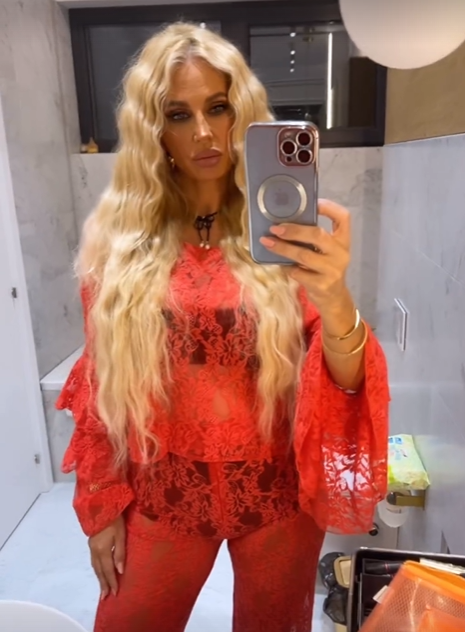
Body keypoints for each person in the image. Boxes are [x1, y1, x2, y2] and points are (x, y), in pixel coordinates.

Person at [57, 22, 389, 632]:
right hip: (166, 491)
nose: (204, 132)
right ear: (154, 130)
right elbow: (101, 384)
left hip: (277, 496)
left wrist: (335, 298)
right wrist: (101, 508)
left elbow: (343, 381)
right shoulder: (120, 241)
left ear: (243, 112)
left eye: (218, 107)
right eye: (178, 115)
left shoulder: (282, 230)